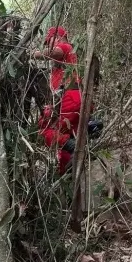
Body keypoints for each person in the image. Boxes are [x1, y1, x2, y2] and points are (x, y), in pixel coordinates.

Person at [33, 26, 82, 175]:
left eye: (49, 41)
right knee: (61, 134)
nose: (48, 45)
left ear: (58, 37)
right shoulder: (59, 67)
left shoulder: (66, 47)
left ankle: (73, 146)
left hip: (69, 98)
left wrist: (31, 54)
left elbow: (55, 52)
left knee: (43, 127)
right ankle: (67, 170)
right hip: (70, 100)